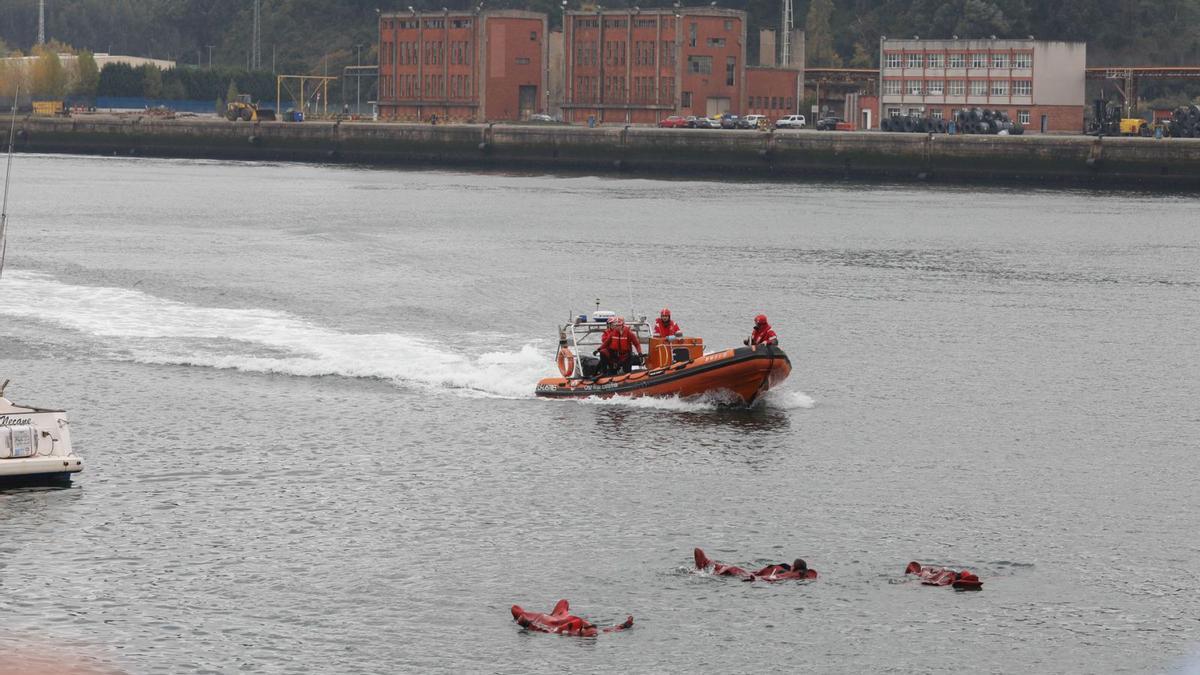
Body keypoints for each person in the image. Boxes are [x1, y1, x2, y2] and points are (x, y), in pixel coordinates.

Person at [511, 599, 634, 636]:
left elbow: (542, 629)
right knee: (563, 602)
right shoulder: (567, 629)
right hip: (560, 618)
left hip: (552, 620)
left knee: (518, 612)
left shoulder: (562, 631)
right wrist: (624, 625)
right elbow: (609, 630)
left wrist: (527, 624)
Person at [694, 548, 818, 582]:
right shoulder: (787, 570)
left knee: (733, 569)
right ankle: (707, 565)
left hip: (756, 578)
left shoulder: (791, 575)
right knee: (728, 567)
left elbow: (776, 578)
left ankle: (707, 569)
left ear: (794, 568)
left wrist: (756, 578)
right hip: (755, 574)